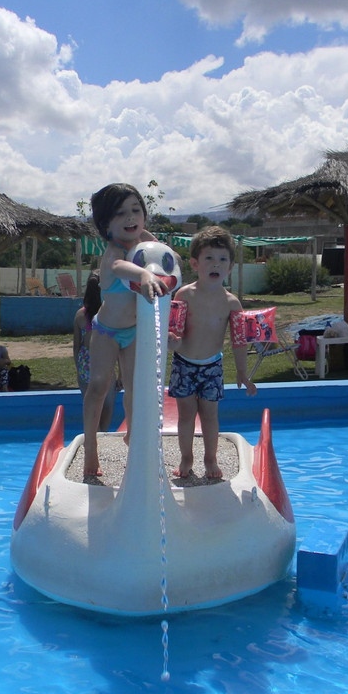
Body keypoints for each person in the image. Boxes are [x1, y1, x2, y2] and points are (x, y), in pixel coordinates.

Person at [82, 183, 169, 480]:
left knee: (134, 388)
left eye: (136, 210)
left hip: (133, 331)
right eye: (120, 214)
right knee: (98, 386)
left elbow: (166, 260)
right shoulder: (113, 253)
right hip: (106, 331)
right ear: (106, 224)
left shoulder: (146, 241)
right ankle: (90, 444)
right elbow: (121, 268)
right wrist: (144, 273)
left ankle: (133, 436)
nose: (131, 218)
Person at [169, 226, 257, 479]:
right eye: (209, 258)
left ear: (229, 267)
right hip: (184, 364)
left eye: (222, 259)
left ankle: (210, 458)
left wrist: (242, 372)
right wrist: (171, 343)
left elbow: (239, 341)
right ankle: (186, 457)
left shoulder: (231, 302)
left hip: (212, 368)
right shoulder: (184, 294)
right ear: (195, 263)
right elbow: (174, 333)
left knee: (210, 416)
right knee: (186, 415)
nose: (215, 264)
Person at [73, 272, 115, 431]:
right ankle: (102, 433)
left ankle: (94, 434)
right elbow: (114, 343)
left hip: (85, 365)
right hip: (103, 363)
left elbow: (76, 346)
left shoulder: (80, 315)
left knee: (90, 405)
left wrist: (78, 368)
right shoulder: (107, 314)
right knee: (108, 405)